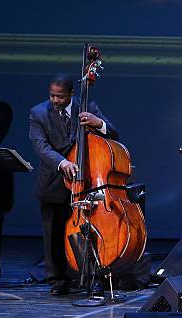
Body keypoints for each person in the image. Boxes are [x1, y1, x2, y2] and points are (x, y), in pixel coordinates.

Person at [29, 74, 119, 295]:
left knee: (87, 231)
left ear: (71, 94)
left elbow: (114, 133)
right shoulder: (38, 113)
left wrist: (99, 124)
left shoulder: (87, 107)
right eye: (52, 96)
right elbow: (41, 147)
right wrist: (63, 163)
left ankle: (87, 276)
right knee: (53, 233)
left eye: (60, 96)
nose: (55, 100)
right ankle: (57, 280)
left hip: (85, 181)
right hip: (54, 179)